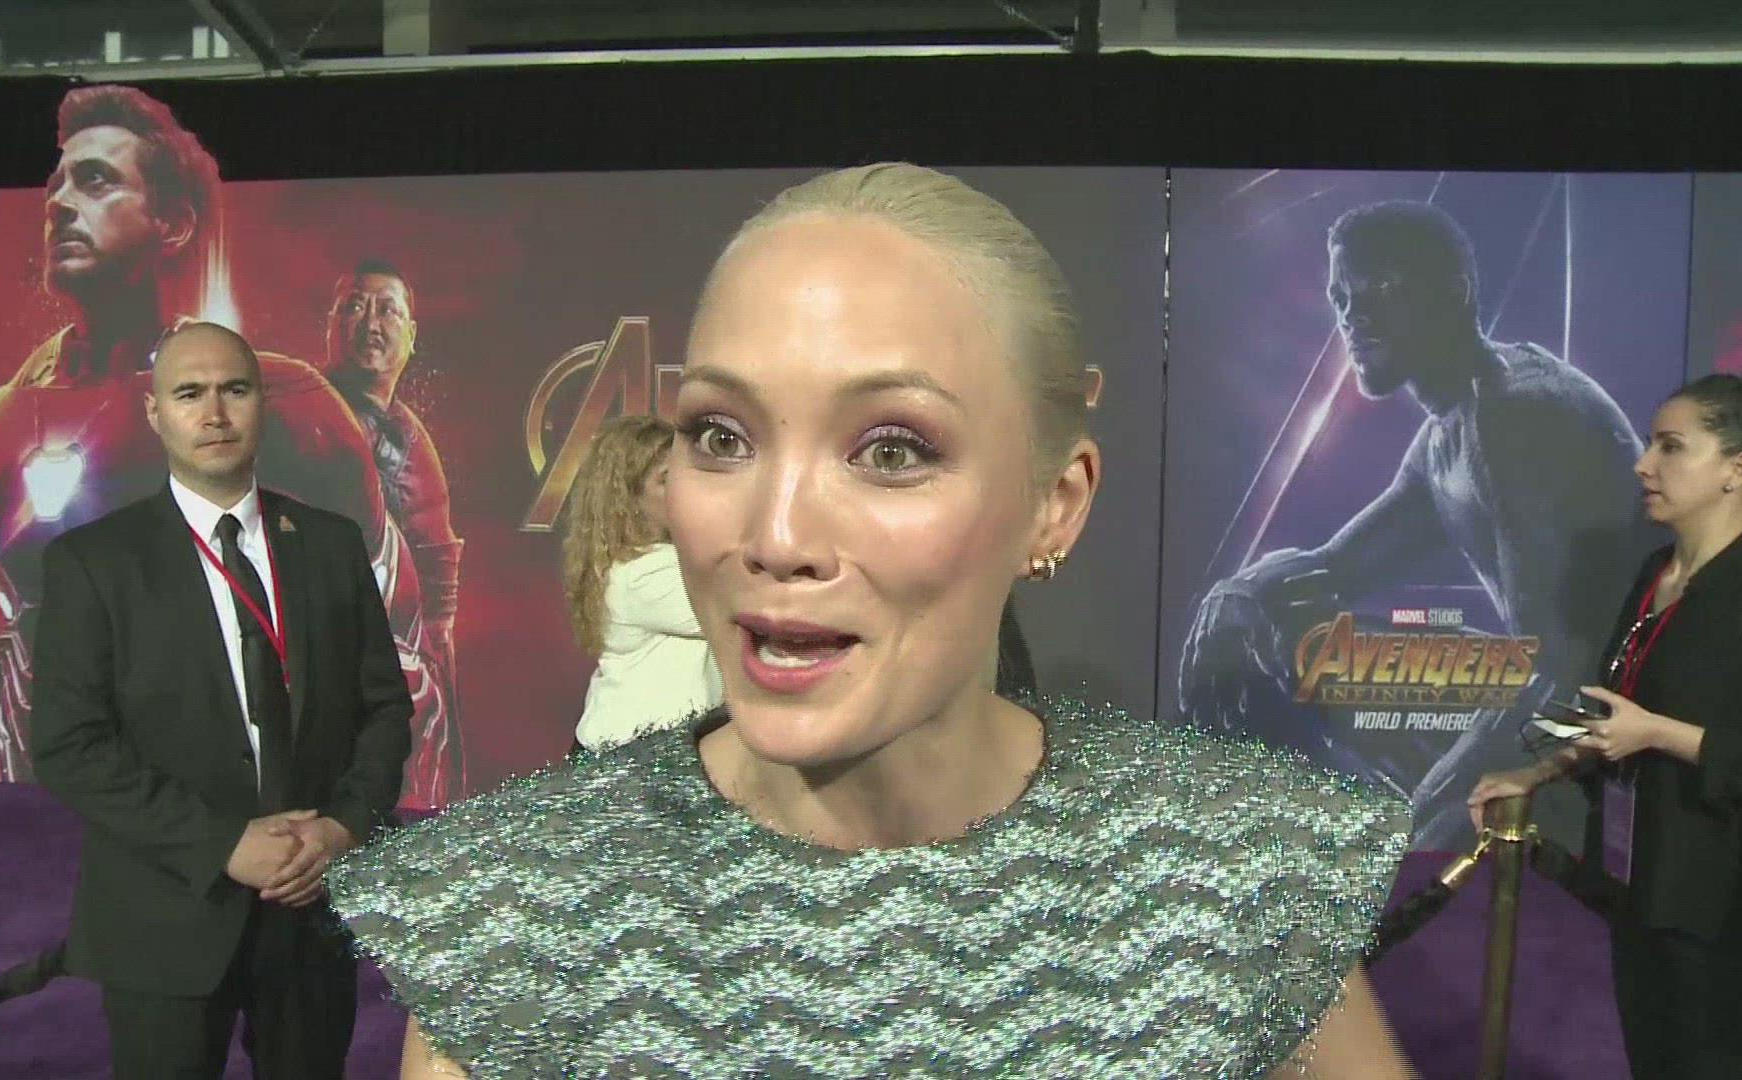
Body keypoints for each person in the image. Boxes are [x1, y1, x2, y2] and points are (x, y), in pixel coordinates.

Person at [329, 164, 1414, 1078]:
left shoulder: (1240, 879)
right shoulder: (518, 914)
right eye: (721, 437)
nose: (775, 534)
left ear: (1055, 504)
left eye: (891, 450)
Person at [0, 86, 449, 809]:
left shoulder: (288, 408)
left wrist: (349, 829)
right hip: (64, 831)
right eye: (56, 184)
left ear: (173, 223)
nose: (60, 203)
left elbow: (399, 662)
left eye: (96, 181)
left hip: (247, 822)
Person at [1180, 199, 1646, 848]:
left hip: (1600, 740)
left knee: (1415, 853)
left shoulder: (1519, 415)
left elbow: (1562, 671)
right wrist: (1235, 595)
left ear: (1454, 292)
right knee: (1283, 625)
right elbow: (1331, 569)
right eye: (1343, 298)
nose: (1354, 316)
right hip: (1552, 712)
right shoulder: (1448, 433)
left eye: (1381, 289)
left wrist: (1427, 810)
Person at [29, 321, 413, 1079]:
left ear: (262, 402)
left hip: (309, 907)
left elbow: (384, 709)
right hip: (165, 913)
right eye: (189, 394)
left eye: (234, 390)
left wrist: (342, 827)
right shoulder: (92, 561)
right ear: (155, 412)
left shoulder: (331, 544)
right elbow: (70, 746)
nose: (214, 413)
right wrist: (223, 844)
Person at [1469, 373, 1742, 1077]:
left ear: (1739, 468)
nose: (1643, 464)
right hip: (1638, 888)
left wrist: (1660, 734)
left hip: (1725, 910)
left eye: (1671, 447)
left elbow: (1653, 729)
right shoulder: (1654, 572)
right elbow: (1614, 713)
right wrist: (1537, 772)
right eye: (1649, 445)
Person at [323, 256, 465, 798]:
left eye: (388, 310)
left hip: (401, 679)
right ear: (331, 325)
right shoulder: (299, 413)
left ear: (411, 334)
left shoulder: (411, 438)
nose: (371, 323)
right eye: (354, 307)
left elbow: (437, 587)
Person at [562, 414, 721, 751]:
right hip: (630, 759)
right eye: (666, 479)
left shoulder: (638, 561)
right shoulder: (645, 572)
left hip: (642, 752)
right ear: (629, 501)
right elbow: (744, 610)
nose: (686, 489)